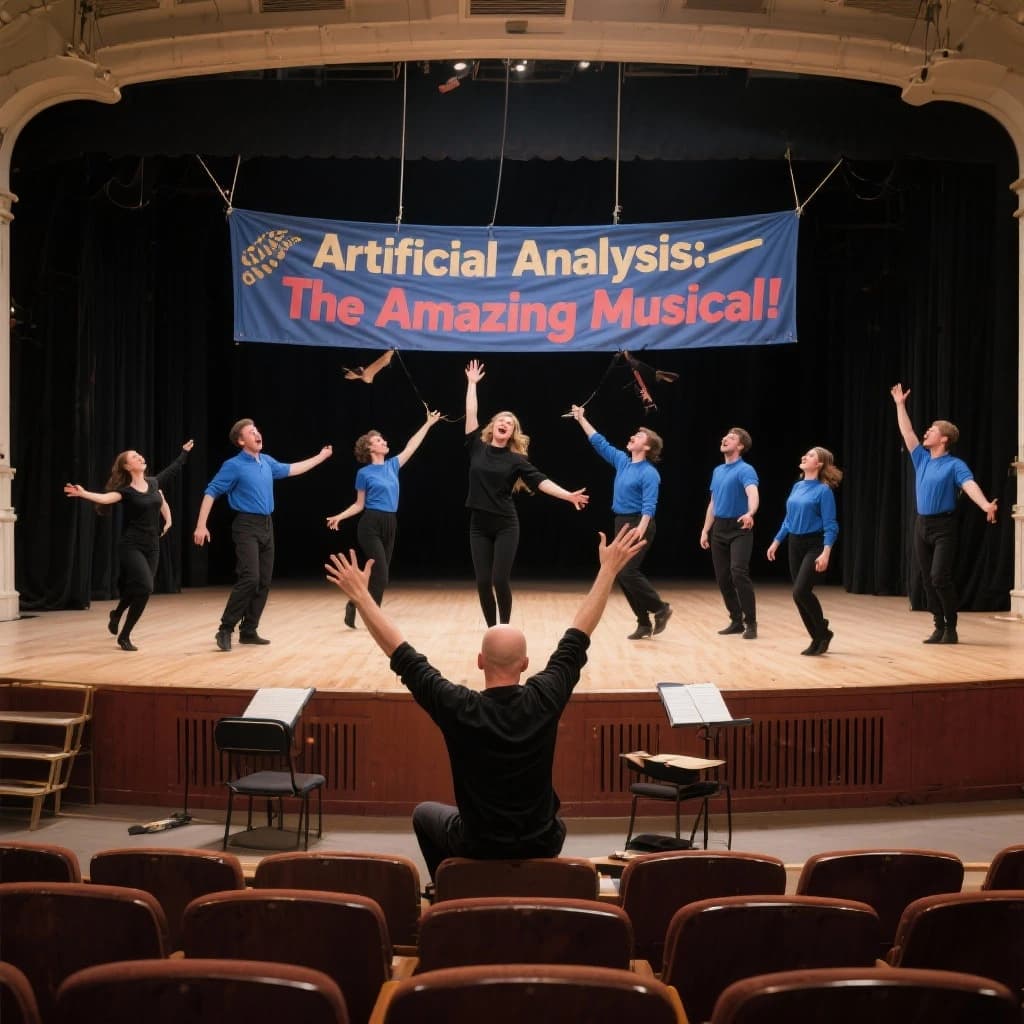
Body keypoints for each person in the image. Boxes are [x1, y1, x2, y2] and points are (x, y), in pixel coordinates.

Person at [324, 523, 647, 880]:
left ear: (480, 661)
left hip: (477, 842)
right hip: (543, 840)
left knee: (424, 814)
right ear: (525, 665)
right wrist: (608, 570)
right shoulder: (545, 697)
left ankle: (448, 886)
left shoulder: (458, 707)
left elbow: (401, 654)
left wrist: (362, 597)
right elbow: (578, 636)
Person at [463, 359, 589, 626]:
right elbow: (471, 412)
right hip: (479, 525)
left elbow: (541, 481)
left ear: (512, 433)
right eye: (501, 420)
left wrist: (567, 495)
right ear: (493, 425)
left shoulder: (516, 460)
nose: (505, 423)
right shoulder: (476, 446)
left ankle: (505, 628)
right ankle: (492, 631)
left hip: (505, 524)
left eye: (510, 423)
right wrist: (472, 384)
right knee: (483, 582)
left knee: (499, 580)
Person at [193, 419, 332, 651]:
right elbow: (211, 492)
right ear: (241, 441)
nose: (257, 434)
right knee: (250, 577)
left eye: (257, 430)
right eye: (251, 432)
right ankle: (225, 628)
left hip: (267, 525)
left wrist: (321, 456)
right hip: (246, 525)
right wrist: (201, 525)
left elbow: (293, 469)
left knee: (264, 581)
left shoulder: (266, 461)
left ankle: (249, 630)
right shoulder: (234, 465)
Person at [890, 383, 998, 644]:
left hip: (944, 527)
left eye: (933, 431)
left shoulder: (955, 465)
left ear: (944, 439)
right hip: (921, 525)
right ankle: (938, 625)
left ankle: (951, 626)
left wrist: (985, 505)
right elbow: (907, 432)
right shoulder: (922, 459)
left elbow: (969, 485)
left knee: (940, 577)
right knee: (927, 580)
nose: (927, 432)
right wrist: (900, 406)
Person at [63, 439, 194, 651]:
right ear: (126, 466)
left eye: (139, 455)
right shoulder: (126, 492)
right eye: (134, 456)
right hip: (131, 545)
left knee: (140, 589)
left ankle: (117, 615)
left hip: (152, 546)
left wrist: (169, 520)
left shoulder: (153, 483)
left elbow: (166, 492)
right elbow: (105, 499)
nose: (140, 457)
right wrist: (83, 493)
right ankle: (124, 636)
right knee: (146, 586)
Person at [326, 409, 442, 629]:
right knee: (382, 575)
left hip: (390, 523)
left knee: (379, 574)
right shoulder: (364, 473)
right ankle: (375, 620)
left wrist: (428, 424)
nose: (384, 441)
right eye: (379, 440)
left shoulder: (392, 466)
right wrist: (340, 516)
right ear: (370, 447)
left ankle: (353, 604)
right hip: (370, 524)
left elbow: (411, 446)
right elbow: (359, 504)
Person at [570, 405, 671, 639]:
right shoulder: (623, 462)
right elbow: (599, 442)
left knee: (627, 572)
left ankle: (660, 608)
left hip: (639, 523)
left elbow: (649, 505)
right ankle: (644, 622)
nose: (632, 436)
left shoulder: (649, 473)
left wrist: (640, 531)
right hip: (622, 522)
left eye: (638, 436)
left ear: (647, 447)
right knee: (619, 572)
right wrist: (581, 419)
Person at [766, 447, 842, 656]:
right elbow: (789, 519)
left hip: (814, 545)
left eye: (810, 456)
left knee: (801, 591)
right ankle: (819, 635)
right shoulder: (797, 486)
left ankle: (822, 633)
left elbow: (831, 524)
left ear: (819, 464)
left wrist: (826, 552)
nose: (804, 457)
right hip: (795, 544)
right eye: (805, 454)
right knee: (799, 595)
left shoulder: (823, 490)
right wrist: (776, 541)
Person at [700, 427, 760, 639]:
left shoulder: (745, 470)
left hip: (740, 528)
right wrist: (705, 530)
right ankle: (735, 620)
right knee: (722, 578)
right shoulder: (717, 471)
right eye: (725, 436)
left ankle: (750, 622)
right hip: (719, 529)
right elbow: (713, 503)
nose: (725, 438)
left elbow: (752, 493)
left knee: (738, 572)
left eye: (732, 438)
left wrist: (750, 512)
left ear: (740, 446)